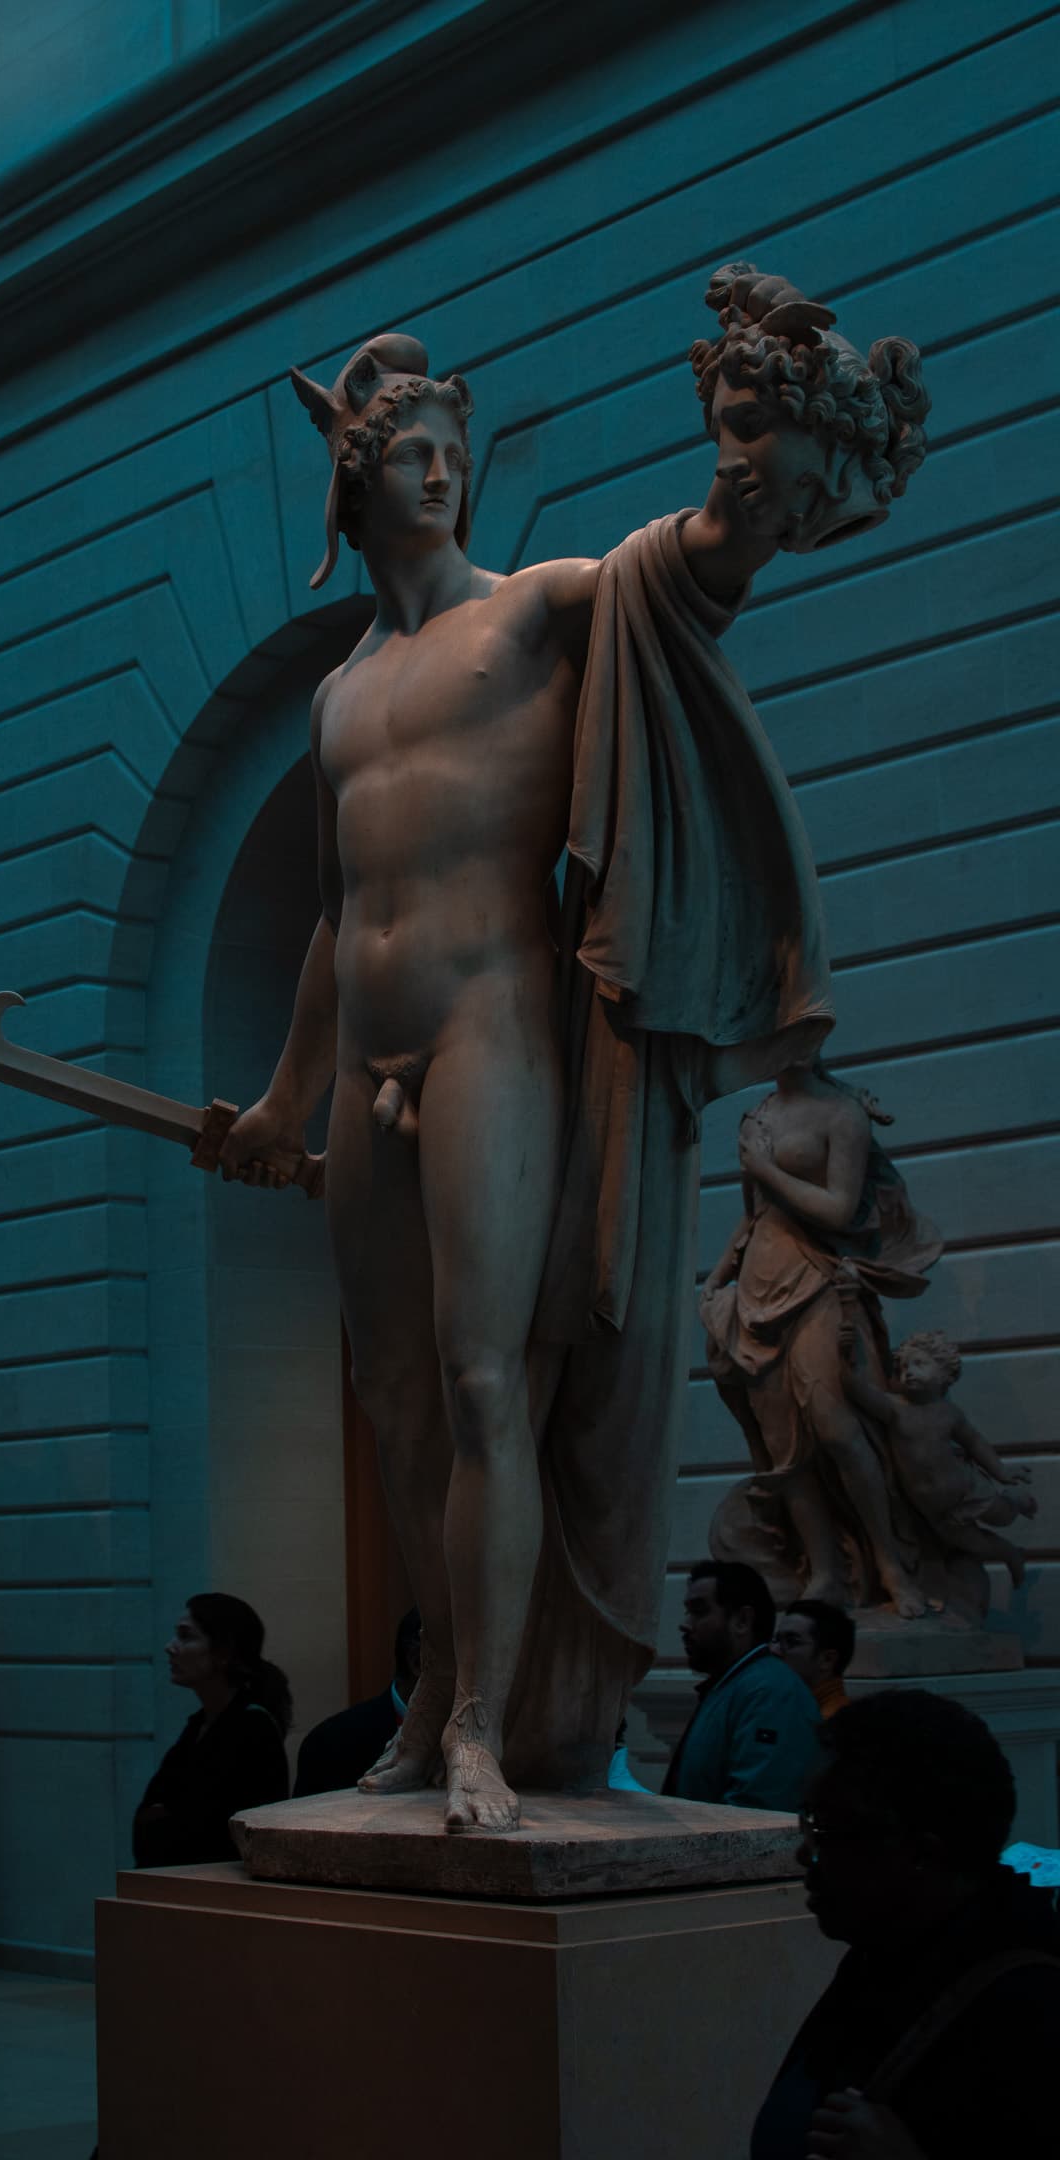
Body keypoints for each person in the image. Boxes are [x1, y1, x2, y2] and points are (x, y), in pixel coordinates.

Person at [219, 265, 924, 1830]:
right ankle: (427, 1710)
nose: (443, 466)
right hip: (367, 1064)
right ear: (354, 469)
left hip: (494, 1035)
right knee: (394, 1399)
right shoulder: (337, 697)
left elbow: (703, 566)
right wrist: (281, 1098)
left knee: (486, 1381)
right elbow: (336, 917)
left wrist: (752, 455)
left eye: (452, 443)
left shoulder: (535, 612)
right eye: (414, 449)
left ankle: (480, 1723)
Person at [751, 1690, 1060, 2159]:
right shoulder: (885, 1953)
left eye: (827, 1833)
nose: (804, 1853)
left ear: (920, 1853)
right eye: (807, 1823)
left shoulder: (1031, 2013)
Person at [700, 1062, 941, 1619]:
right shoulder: (756, 1115)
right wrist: (716, 1278)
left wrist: (765, 1166)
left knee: (836, 1426)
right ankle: (825, 1570)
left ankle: (889, 1564)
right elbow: (753, 1214)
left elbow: (837, 1206)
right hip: (759, 1283)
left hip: (819, 1275)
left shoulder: (843, 1113)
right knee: (785, 1445)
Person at [842, 1329, 1037, 1587]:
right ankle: (1010, 1553)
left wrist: (1001, 1471)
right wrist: (846, 1356)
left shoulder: (949, 1414)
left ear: (945, 1373)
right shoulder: (896, 1409)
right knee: (974, 1544)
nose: (908, 1372)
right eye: (903, 1367)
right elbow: (856, 1389)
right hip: (934, 1510)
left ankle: (1016, 1501)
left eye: (919, 1364)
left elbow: (975, 1442)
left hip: (969, 1491)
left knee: (1002, 1516)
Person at [131, 1594, 291, 1868]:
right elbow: (149, 1821)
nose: (171, 1648)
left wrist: (165, 1818)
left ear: (223, 1652)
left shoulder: (252, 1730)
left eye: (186, 1636)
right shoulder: (199, 1725)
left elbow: (215, 1836)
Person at [663, 1562, 821, 1810]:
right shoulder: (734, 1686)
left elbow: (755, 1812)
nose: (685, 1624)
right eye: (688, 1611)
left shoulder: (770, 1692)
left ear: (742, 1621)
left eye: (699, 1611)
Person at [293, 1609, 423, 1797]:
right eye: (468, 1665)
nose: (478, 1679)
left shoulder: (475, 1741)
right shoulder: (330, 1743)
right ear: (417, 1662)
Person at [772, 1599, 855, 1721]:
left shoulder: (831, 1725)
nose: (774, 1649)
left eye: (791, 1642)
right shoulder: (799, 1709)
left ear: (827, 1659)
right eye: (776, 1640)